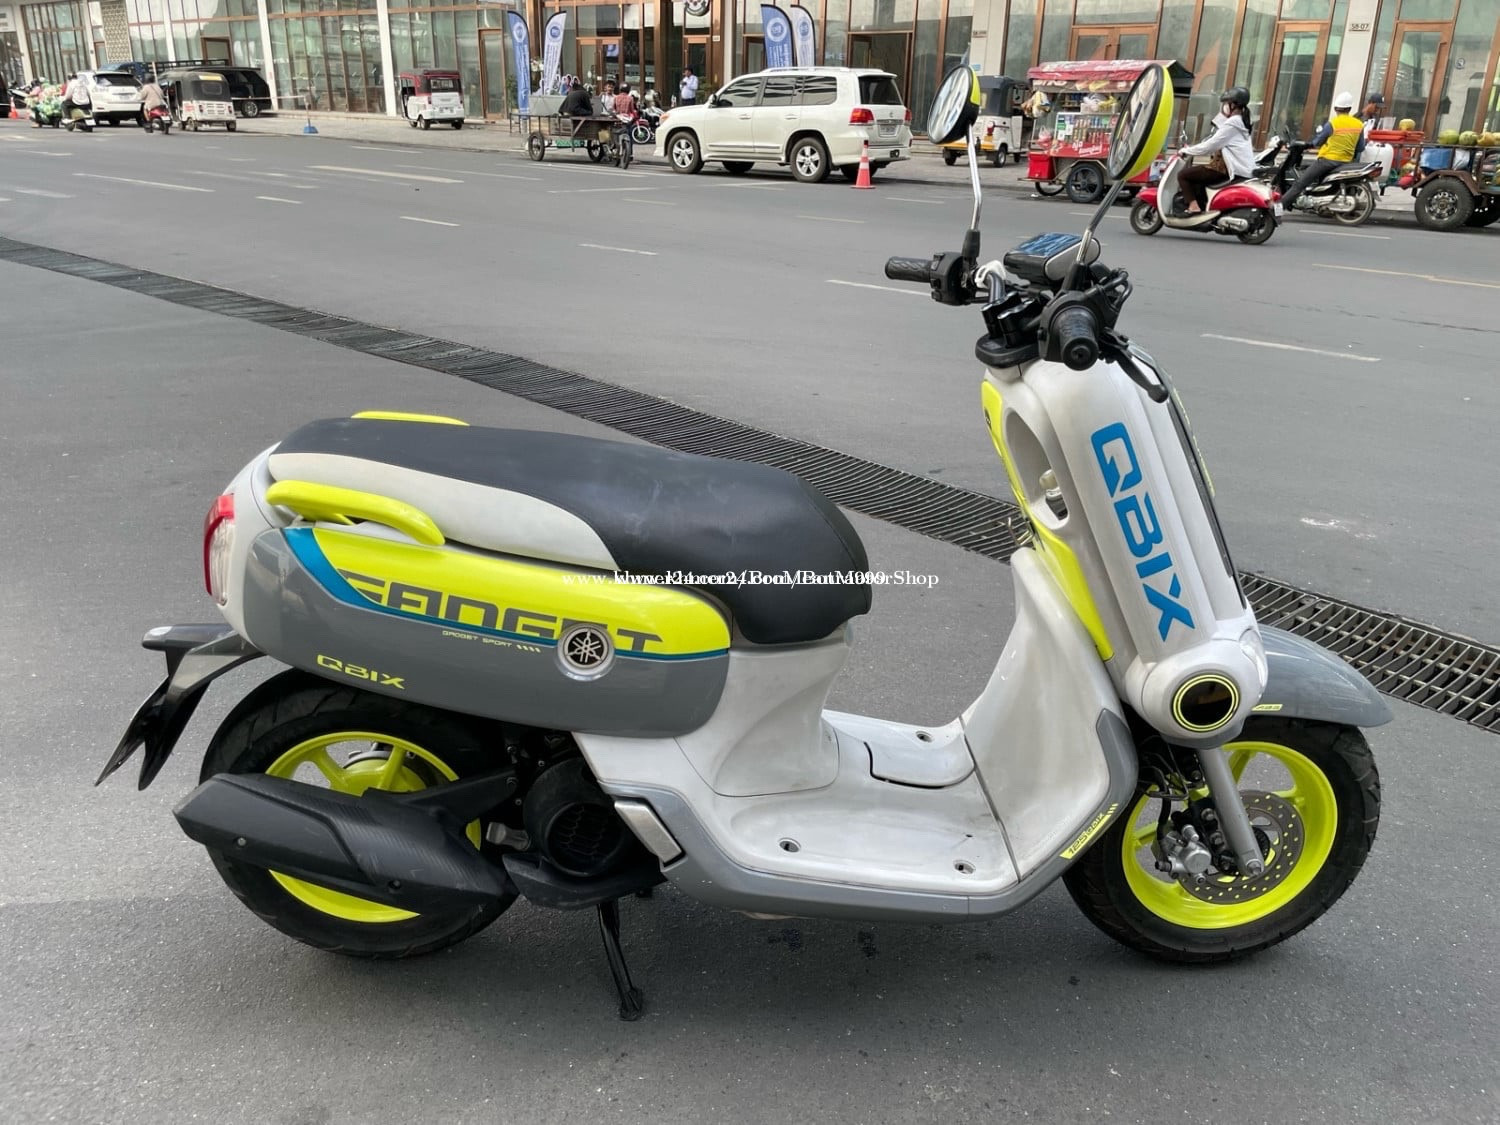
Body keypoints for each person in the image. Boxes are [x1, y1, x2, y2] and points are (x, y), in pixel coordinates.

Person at [1176, 86, 1255, 215]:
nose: (1224, 106)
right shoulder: (1241, 121)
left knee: (1183, 175)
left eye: (1226, 103)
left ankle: (1193, 207)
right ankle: (1202, 207)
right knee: (1198, 178)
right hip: (1237, 168)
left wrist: (1187, 151)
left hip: (1225, 169)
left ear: (1233, 105)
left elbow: (1210, 146)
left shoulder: (1233, 123)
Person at [1281, 91, 1365, 210]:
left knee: (1300, 183)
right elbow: (1360, 147)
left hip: (1328, 161)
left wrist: (1308, 145)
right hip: (1346, 162)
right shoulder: (1358, 124)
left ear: (1335, 108)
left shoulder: (1332, 124)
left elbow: (1318, 142)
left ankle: (1278, 207)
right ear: (1350, 109)